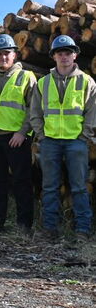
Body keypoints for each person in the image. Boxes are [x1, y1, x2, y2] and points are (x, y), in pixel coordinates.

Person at [30, 35, 95, 243]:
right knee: (49, 187)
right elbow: (35, 112)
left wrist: (84, 137)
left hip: (77, 142)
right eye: (60, 53)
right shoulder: (43, 83)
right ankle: (50, 229)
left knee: (79, 187)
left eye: (68, 53)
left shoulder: (86, 81)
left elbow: (92, 112)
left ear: (74, 55)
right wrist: (41, 135)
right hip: (50, 142)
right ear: (54, 57)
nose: (64, 56)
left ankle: (82, 230)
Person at [0, 34, 36, 234]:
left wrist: (22, 132)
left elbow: (33, 108)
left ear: (14, 55)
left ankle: (24, 223)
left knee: (21, 181)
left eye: (6, 53)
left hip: (16, 138)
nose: (3, 57)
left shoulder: (26, 77)